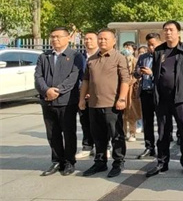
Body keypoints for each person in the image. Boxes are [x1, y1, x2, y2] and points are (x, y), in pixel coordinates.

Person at [146, 21, 183, 178]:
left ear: (178, 32)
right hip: (162, 99)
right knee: (163, 132)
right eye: (165, 30)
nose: (168, 32)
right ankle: (162, 163)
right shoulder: (159, 51)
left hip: (181, 98)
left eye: (171, 30)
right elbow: (156, 72)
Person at [79, 29, 130, 178]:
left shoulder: (119, 57)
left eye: (105, 39)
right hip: (94, 104)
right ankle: (100, 162)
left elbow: (125, 80)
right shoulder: (91, 59)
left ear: (114, 41)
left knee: (116, 136)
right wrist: (82, 99)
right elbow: (86, 81)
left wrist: (122, 98)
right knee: (98, 136)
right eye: (100, 39)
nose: (102, 41)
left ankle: (118, 162)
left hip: (112, 104)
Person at [34, 27, 83, 176]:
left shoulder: (75, 56)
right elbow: (38, 77)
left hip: (67, 101)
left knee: (68, 133)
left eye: (58, 36)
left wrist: (57, 91)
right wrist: (46, 91)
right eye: (53, 37)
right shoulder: (44, 56)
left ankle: (69, 161)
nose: (55, 39)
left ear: (68, 38)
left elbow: (74, 77)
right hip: (47, 101)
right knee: (52, 133)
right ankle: (57, 160)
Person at [135, 33, 161, 159]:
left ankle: (162, 147)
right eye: (148, 45)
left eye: (153, 45)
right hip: (145, 92)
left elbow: (166, 76)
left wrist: (152, 73)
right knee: (147, 121)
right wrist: (139, 72)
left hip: (159, 93)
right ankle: (149, 147)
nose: (151, 47)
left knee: (162, 121)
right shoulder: (143, 57)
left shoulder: (163, 57)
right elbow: (135, 73)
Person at [75, 31, 99, 159]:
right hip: (82, 95)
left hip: (99, 95)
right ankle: (87, 146)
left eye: (91, 39)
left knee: (100, 123)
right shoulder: (79, 57)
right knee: (85, 122)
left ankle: (104, 147)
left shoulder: (102, 55)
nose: (88, 41)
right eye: (86, 39)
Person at [121, 41, 142, 142]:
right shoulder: (120, 60)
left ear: (133, 50)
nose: (126, 50)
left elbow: (138, 75)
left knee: (132, 112)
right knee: (122, 113)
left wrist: (131, 81)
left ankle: (132, 133)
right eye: (125, 47)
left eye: (129, 48)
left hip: (132, 89)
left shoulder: (136, 61)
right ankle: (123, 132)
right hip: (121, 88)